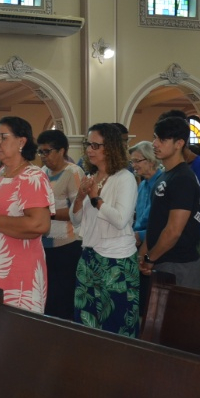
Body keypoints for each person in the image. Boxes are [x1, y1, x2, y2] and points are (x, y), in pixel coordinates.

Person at [0, 116, 53, 313]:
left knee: (15, 336)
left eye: (2, 138)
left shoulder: (32, 177)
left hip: (18, 275)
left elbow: (39, 225)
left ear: (21, 141)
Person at [70, 123, 139, 336]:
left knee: (117, 322)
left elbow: (120, 220)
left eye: (95, 145)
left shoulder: (124, 178)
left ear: (110, 147)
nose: (89, 150)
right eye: (88, 144)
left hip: (116, 260)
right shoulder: (91, 178)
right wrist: (81, 197)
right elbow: (76, 219)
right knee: (86, 319)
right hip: (89, 256)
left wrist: (94, 198)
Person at [138, 117, 200, 289]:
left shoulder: (183, 178)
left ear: (179, 143)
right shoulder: (166, 175)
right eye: (155, 137)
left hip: (179, 263)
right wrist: (144, 253)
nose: (155, 144)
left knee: (179, 315)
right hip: (161, 259)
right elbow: (156, 221)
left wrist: (151, 258)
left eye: (162, 139)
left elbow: (173, 231)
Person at [36, 130, 82, 320]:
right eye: (41, 152)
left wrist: (47, 213)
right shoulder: (41, 173)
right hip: (44, 244)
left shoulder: (73, 172)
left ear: (62, 150)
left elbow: (78, 211)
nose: (44, 157)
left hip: (67, 245)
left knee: (63, 297)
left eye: (48, 151)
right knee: (48, 297)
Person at [129, 141, 163, 249]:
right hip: (138, 240)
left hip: (157, 242)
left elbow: (164, 221)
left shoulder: (163, 183)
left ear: (151, 161)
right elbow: (139, 217)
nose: (133, 165)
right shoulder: (142, 185)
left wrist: (141, 235)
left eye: (137, 161)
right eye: (132, 162)